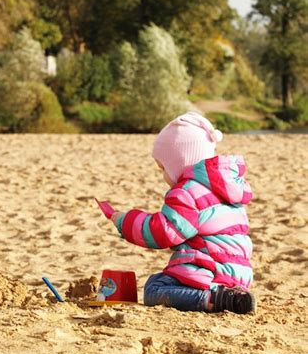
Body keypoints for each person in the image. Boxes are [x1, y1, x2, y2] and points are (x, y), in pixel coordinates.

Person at [109, 112, 256, 314]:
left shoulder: (187, 192)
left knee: (154, 288)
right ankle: (230, 297)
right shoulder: (227, 190)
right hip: (239, 275)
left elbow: (163, 232)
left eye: (163, 168)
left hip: (210, 272)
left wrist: (124, 221)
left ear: (180, 162)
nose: (162, 175)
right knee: (162, 279)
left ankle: (213, 299)